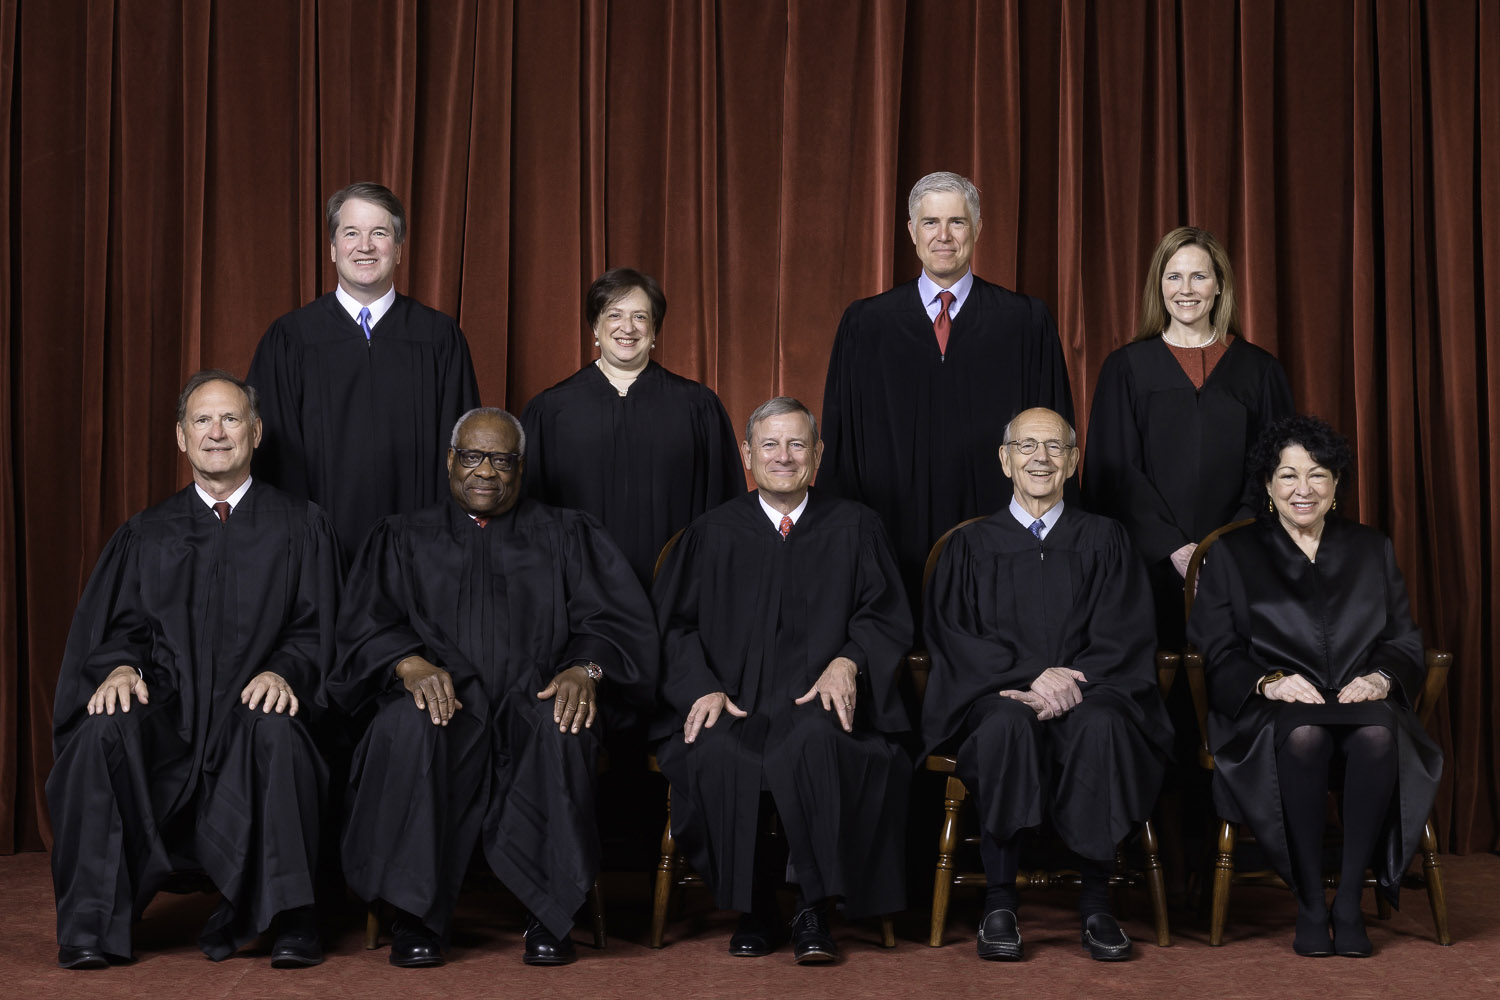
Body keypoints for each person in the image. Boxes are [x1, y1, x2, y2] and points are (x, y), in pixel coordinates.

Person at [330, 407, 658, 968]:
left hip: (534, 698)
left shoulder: (568, 532)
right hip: (440, 702)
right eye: (474, 457)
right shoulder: (403, 536)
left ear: (521, 468)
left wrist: (587, 672)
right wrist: (408, 665)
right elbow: (364, 628)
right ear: (451, 461)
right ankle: (417, 914)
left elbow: (617, 625)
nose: (486, 471)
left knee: (564, 721)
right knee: (411, 727)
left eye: (501, 459)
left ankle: (550, 912)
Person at [46, 370, 339, 970]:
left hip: (250, 714)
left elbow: (319, 627)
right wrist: (122, 666)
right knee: (102, 732)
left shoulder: (301, 525)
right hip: (170, 712)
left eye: (231, 419)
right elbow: (120, 627)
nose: (217, 433)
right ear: (181, 438)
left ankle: (291, 919)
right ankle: (92, 926)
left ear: (255, 433)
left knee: (278, 730)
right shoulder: (147, 533)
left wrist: (286, 670)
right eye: (202, 421)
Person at [652, 397, 913, 964]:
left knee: (818, 743)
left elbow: (884, 616)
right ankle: (755, 908)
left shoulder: (857, 526)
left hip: (820, 702)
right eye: (770, 444)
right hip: (735, 703)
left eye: (798, 444)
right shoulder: (712, 532)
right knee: (721, 751)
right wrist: (701, 687)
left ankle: (811, 907)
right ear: (747, 455)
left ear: (818, 456)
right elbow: (675, 627)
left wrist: (850, 662)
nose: (784, 456)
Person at [1186, 415, 1440, 958]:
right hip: (1271, 709)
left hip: (1360, 701)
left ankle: (1347, 901)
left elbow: (1403, 637)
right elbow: (1216, 647)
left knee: (1377, 738)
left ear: (1337, 485)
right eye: (1288, 476)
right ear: (1269, 488)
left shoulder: (1372, 549)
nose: (1304, 489)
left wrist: (1380, 676)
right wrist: (1269, 682)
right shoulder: (1234, 554)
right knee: (1306, 737)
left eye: (1318, 475)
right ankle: (1307, 901)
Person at [923, 407, 1171, 962]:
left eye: (1055, 447)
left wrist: (1068, 682)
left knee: (1102, 723)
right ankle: (1000, 903)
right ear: (1005, 459)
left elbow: (1126, 632)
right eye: (1028, 446)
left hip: (1094, 690)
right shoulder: (970, 546)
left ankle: (1097, 903)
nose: (1041, 458)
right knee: (1007, 724)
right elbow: (953, 636)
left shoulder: (1106, 539)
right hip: (997, 695)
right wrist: (1028, 677)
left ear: (1074, 461)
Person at [821, 170, 1074, 611]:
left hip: (1000, 541)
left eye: (956, 222)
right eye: (930, 222)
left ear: (976, 229)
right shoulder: (866, 324)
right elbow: (842, 446)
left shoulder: (1024, 321)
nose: (943, 236)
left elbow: (1054, 440)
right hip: (891, 535)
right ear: (911, 231)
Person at [1083, 225, 1293, 646]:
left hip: (1237, 561)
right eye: (1173, 276)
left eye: (1199, 276)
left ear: (1219, 286)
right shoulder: (1125, 368)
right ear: (1158, 285)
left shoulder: (1259, 370)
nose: (1186, 289)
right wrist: (1173, 548)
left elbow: (1278, 470)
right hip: (1146, 567)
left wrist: (1222, 546)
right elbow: (1116, 472)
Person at [248, 181, 480, 561]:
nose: (365, 246)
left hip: (421, 552)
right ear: (333, 247)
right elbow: (271, 458)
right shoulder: (290, 338)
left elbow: (464, 449)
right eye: (351, 233)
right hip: (317, 555)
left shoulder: (439, 338)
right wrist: (302, 546)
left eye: (379, 233)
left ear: (399, 248)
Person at [521, 267, 743, 589]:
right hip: (580, 598)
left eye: (640, 317)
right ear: (595, 326)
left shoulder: (697, 407)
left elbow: (724, 510)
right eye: (614, 315)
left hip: (676, 594)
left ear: (654, 331)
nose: (628, 327)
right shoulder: (551, 411)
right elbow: (532, 519)